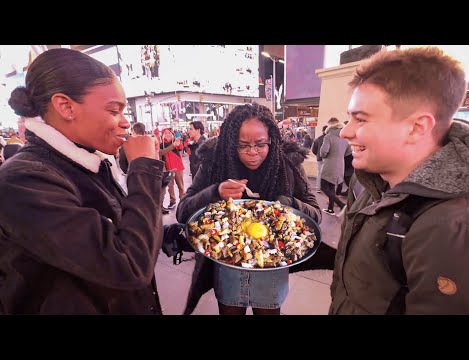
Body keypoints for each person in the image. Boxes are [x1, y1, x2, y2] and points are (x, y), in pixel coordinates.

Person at [0, 48, 165, 314]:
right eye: (114, 110)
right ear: (65, 106)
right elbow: (128, 265)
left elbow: (116, 230)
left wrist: (174, 235)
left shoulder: (88, 162)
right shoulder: (24, 180)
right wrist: (143, 169)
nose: (125, 123)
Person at [330, 46, 469, 314]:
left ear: (417, 127)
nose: (345, 132)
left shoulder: (453, 225)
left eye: (360, 119)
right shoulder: (371, 181)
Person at [177, 102, 321, 315]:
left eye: (260, 144)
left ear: (271, 139)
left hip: (272, 268)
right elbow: (183, 211)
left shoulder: (288, 162)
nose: (252, 152)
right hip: (228, 266)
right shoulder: (215, 160)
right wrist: (215, 192)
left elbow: (315, 214)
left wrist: (289, 203)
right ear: (231, 141)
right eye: (243, 145)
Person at [319, 117, 351, 215]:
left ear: (330, 126)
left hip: (329, 165)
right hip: (340, 165)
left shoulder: (328, 136)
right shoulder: (345, 137)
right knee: (332, 186)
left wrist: (324, 155)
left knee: (324, 186)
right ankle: (330, 209)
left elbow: (323, 152)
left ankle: (341, 205)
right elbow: (348, 152)